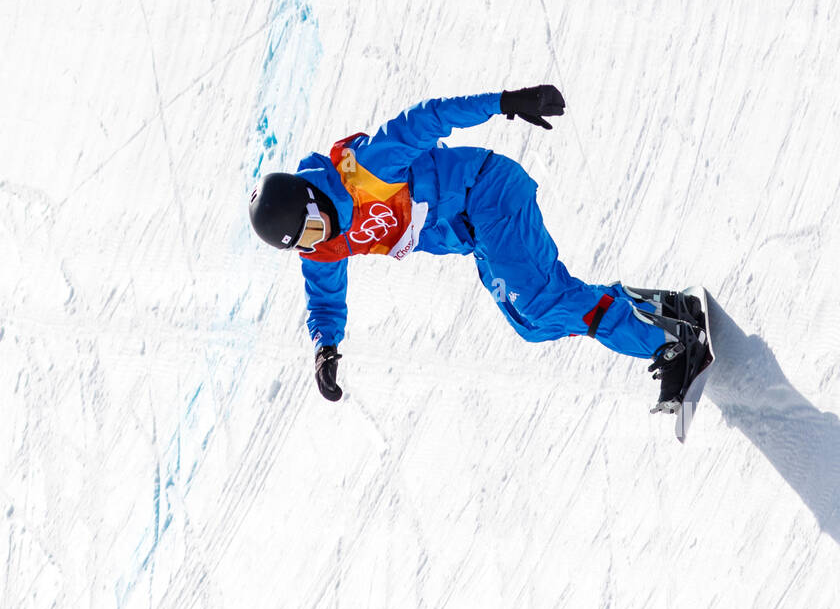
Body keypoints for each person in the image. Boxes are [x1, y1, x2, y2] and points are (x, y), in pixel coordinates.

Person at [248, 86, 707, 411]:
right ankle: (659, 310)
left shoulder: (363, 169)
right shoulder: (323, 248)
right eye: (305, 241)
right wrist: (325, 347)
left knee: (541, 302)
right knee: (532, 324)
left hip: (487, 191)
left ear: (311, 198)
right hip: (473, 231)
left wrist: (505, 103)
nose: (318, 238)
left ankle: (672, 345)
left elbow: (429, 117)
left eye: (312, 227)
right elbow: (324, 299)